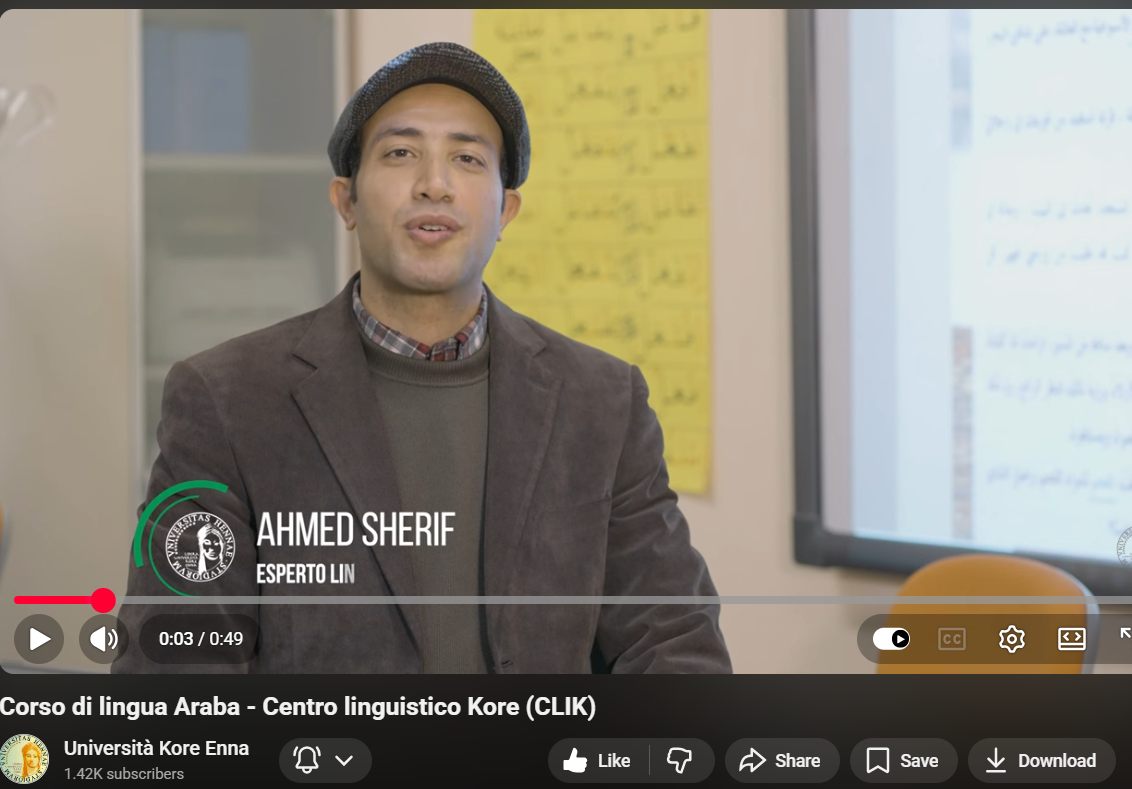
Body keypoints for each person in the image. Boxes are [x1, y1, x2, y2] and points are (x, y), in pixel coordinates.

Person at [114, 42, 731, 674]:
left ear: (505, 210)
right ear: (347, 201)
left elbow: (674, 640)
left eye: (467, 158)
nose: (434, 184)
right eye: (401, 153)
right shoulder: (227, 399)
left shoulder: (603, 402)